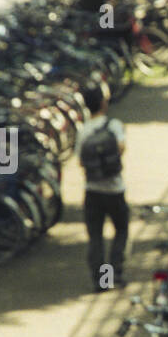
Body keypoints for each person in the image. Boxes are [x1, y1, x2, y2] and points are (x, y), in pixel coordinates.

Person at [74, 85, 128, 293]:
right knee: (120, 230)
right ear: (103, 103)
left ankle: (101, 281)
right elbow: (121, 148)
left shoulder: (83, 131)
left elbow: (80, 161)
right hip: (115, 189)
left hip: (92, 192)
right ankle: (116, 272)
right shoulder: (113, 125)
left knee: (96, 236)